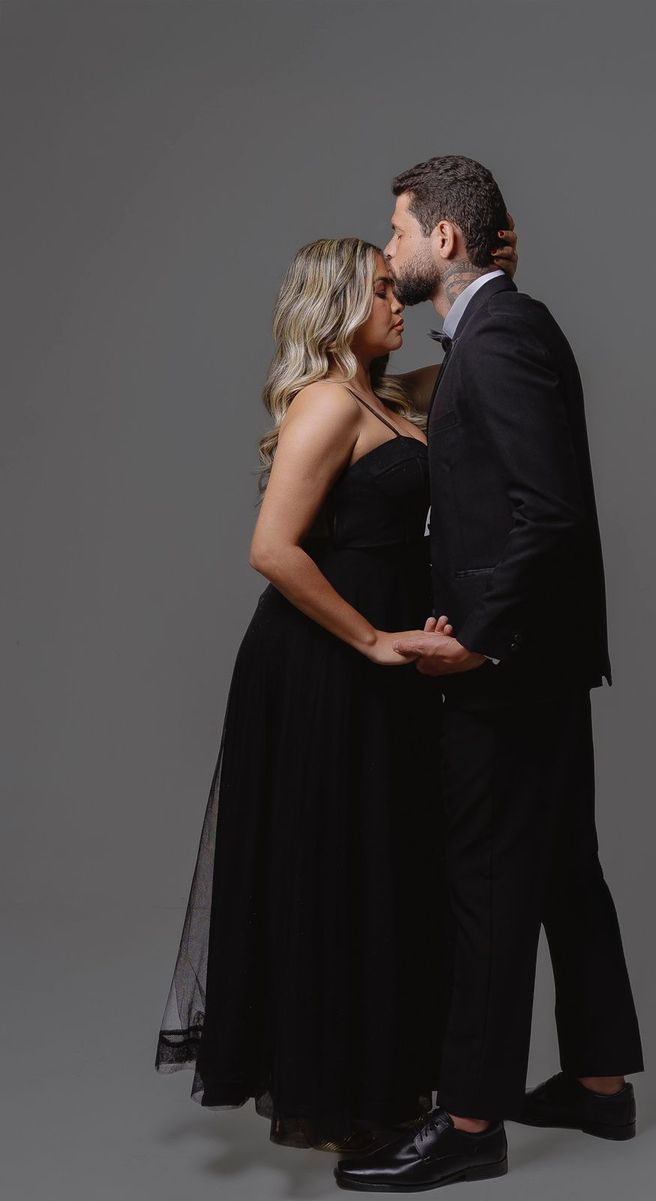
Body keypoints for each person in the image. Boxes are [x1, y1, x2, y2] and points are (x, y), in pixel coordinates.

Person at [154, 230, 518, 1154]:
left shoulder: (391, 396)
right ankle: (334, 1095)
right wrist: (372, 639)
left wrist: (494, 272)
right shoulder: (324, 402)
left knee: (383, 862)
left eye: (399, 287)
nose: (401, 303)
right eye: (385, 290)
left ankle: (379, 1084)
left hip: (378, 667)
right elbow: (271, 549)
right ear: (339, 305)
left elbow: (477, 352)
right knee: (333, 864)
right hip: (321, 662)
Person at [334, 156, 644, 1191]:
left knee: (488, 883)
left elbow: (547, 513)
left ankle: (469, 1123)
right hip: (541, 659)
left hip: (508, 667)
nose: (389, 252)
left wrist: (479, 636)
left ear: (444, 240)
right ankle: (599, 1085)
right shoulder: (501, 326)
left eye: (398, 231)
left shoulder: (501, 336)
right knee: (560, 868)